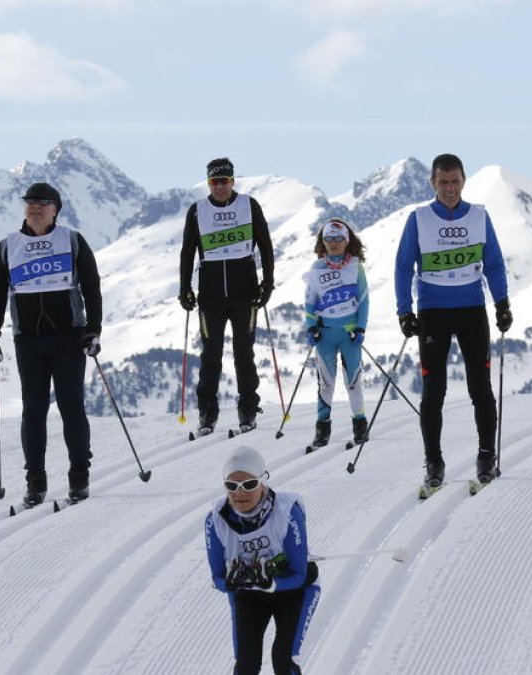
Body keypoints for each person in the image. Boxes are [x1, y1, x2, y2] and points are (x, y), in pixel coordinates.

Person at [394, 153, 511, 489]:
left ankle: (486, 455)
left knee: (481, 388)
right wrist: (405, 310)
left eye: (455, 181)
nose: (449, 188)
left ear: (463, 181)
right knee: (434, 392)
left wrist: (502, 303)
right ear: (433, 182)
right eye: (443, 182)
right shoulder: (418, 219)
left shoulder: (478, 216)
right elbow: (404, 267)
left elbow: (494, 263)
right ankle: (434, 462)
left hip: (472, 310)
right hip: (433, 313)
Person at [0, 182, 102, 505]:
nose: (34, 207)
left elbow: (91, 285)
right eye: (30, 203)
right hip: (28, 340)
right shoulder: (9, 246)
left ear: (55, 210)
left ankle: (79, 478)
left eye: (42, 203)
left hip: (69, 337)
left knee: (71, 407)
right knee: (33, 411)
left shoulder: (72, 241)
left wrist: (94, 329)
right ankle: (35, 482)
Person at [179, 158, 276, 437]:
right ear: (208, 183)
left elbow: (266, 245)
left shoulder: (248, 205)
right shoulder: (198, 211)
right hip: (210, 295)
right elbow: (188, 251)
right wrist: (185, 287)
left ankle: (248, 407)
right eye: (214, 182)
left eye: (224, 181)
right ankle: (207, 411)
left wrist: (267, 282)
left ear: (233, 181)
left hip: (244, 293)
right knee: (211, 354)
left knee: (244, 353)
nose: (219, 187)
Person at [205, 446, 320, 675]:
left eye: (248, 484)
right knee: (246, 666)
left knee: (283, 661)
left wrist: (273, 583)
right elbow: (217, 577)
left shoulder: (286, 512)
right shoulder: (215, 520)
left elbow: (300, 574)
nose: (240, 493)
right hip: (250, 596)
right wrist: (230, 583)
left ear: (262, 481)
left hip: (294, 592)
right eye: (231, 486)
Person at [302, 218, 370, 451]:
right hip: (325, 334)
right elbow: (309, 302)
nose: (333, 243)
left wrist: (361, 327)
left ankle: (360, 426)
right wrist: (310, 327)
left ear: (346, 241)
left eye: (338, 239)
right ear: (323, 242)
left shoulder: (355, 266)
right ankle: (322, 430)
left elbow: (363, 300)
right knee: (326, 383)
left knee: (353, 381)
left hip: (349, 334)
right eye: (328, 239)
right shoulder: (317, 268)